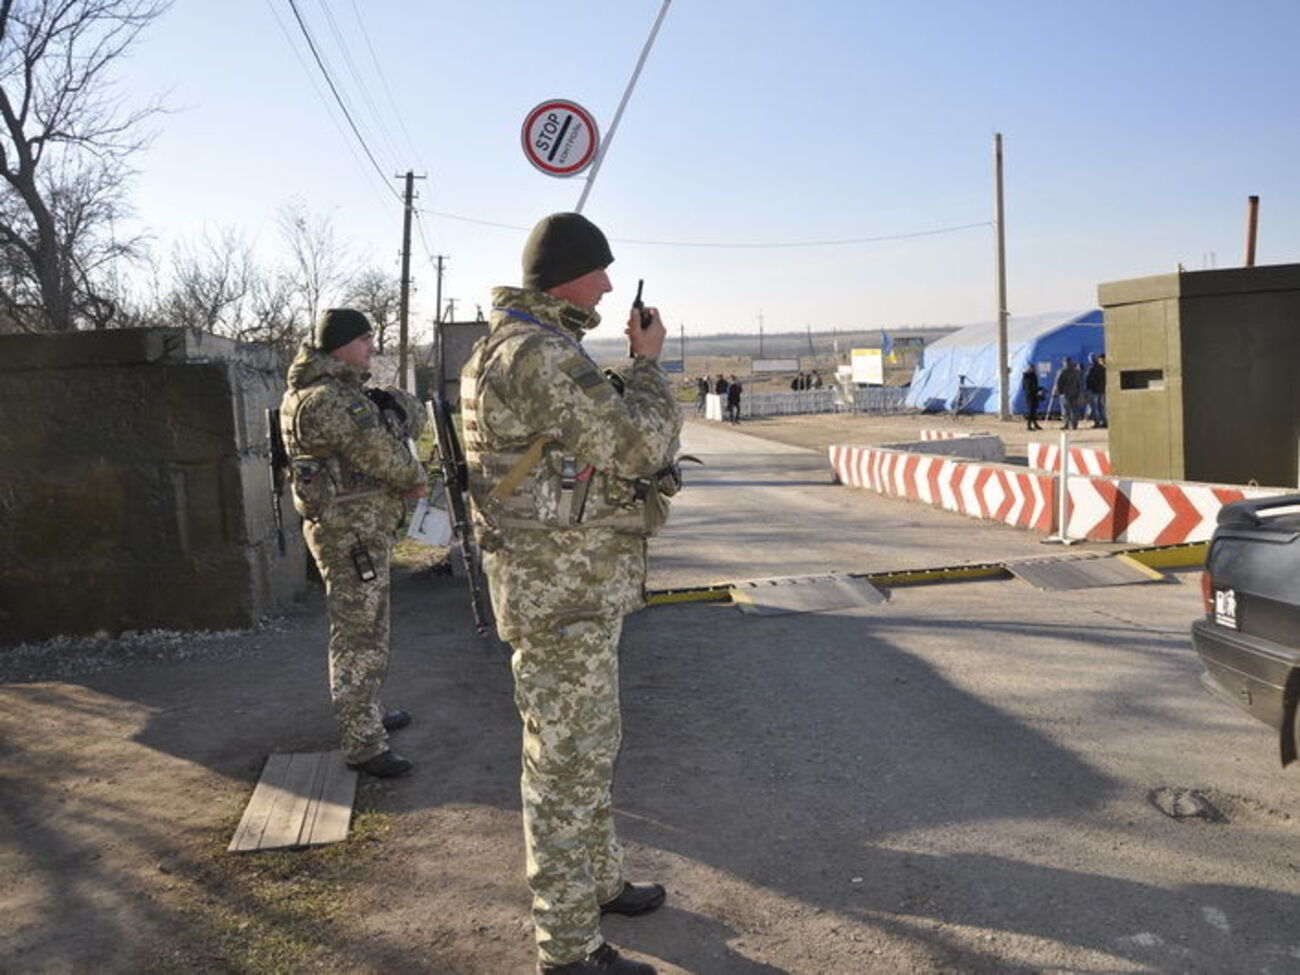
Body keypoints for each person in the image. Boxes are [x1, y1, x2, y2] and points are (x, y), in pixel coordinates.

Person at [460, 212, 682, 975]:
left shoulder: (517, 345)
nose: (612, 285)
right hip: (562, 594)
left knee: (589, 748)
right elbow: (640, 444)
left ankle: (599, 881)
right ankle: (567, 947)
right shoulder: (540, 354)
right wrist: (647, 364)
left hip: (564, 586)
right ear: (568, 277)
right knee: (564, 768)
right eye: (601, 271)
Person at [279, 309, 428, 779]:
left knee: (367, 628)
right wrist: (414, 477)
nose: (372, 348)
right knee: (360, 636)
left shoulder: (315, 393)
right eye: (365, 340)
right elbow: (390, 460)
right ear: (341, 345)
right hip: (350, 535)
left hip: (351, 530)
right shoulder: (332, 400)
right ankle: (363, 743)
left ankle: (367, 712)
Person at [1051, 357, 1084, 430]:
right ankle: (1074, 425)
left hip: (1065, 393)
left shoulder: (1062, 371)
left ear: (1064, 362)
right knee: (1074, 409)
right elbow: (1079, 383)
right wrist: (1078, 391)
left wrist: (1058, 392)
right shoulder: (1075, 371)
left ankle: (1066, 424)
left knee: (1065, 409)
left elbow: (1058, 382)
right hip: (1074, 393)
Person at [1085, 353, 1108, 428]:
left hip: (1093, 391)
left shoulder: (1091, 369)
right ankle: (1104, 421)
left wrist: (1088, 389)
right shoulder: (1102, 368)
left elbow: (1088, 380)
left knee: (1095, 407)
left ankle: (1097, 422)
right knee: (1102, 407)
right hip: (1102, 390)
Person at [1021, 366, 1043, 431]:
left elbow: (1035, 385)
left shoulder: (1034, 376)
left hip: (1034, 395)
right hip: (1029, 396)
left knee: (1034, 411)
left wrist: (1039, 389)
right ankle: (1029, 426)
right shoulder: (1026, 377)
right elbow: (1028, 387)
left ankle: (1035, 424)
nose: (1034, 370)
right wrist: (1038, 389)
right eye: (1032, 369)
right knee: (1031, 411)